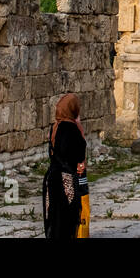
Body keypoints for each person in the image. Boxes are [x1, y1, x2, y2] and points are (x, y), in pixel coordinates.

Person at [42, 93, 87, 239]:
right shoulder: (72, 129)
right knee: (68, 216)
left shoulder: (55, 127)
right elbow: (80, 155)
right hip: (66, 179)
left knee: (53, 216)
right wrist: (80, 128)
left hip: (52, 176)